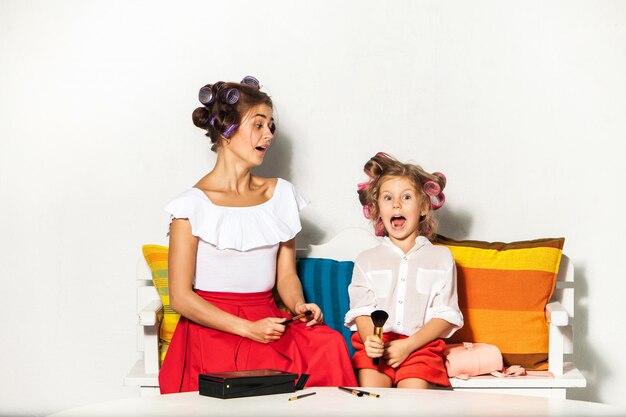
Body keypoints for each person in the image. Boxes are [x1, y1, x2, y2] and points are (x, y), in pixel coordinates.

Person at [159, 76, 357, 394]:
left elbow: (286, 277)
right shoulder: (190, 205)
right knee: (246, 381)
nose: (269, 135)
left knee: (328, 344)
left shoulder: (280, 195)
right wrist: (247, 329)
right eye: (259, 124)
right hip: (213, 328)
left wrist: (298, 306)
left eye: (271, 127)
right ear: (226, 130)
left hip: (267, 321)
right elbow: (181, 298)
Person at [344, 152, 463, 389]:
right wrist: (371, 341)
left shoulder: (441, 257)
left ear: (423, 208)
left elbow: (445, 314)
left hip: (420, 347)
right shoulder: (366, 260)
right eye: (388, 198)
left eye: (406, 197)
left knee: (412, 402)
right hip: (377, 345)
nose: (396, 204)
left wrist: (408, 346)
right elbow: (362, 311)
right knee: (371, 398)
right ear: (377, 210)